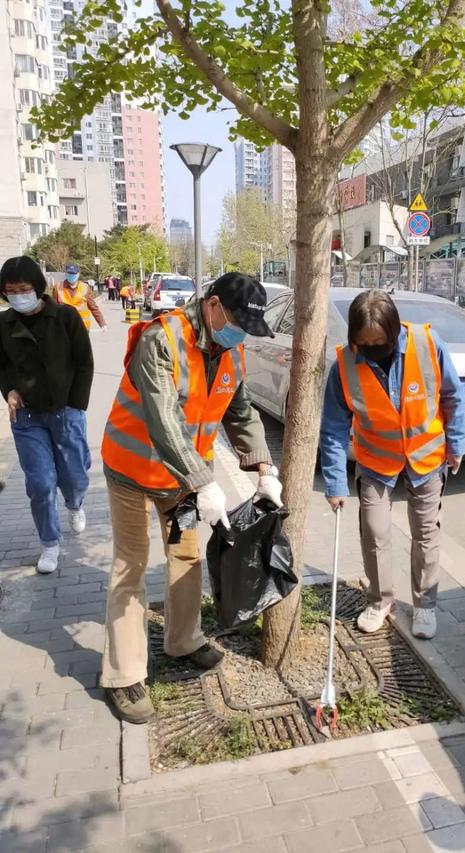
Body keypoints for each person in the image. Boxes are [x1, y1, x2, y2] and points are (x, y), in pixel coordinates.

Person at [100, 272, 283, 723]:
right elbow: (164, 421)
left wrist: (263, 466)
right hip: (132, 469)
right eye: (236, 322)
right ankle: (123, 677)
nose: (239, 333)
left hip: (182, 479)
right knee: (131, 568)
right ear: (213, 306)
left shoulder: (233, 351)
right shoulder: (162, 340)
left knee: (187, 558)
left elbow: (240, 413)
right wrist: (204, 482)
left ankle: (182, 641)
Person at [320, 289, 465, 640]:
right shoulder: (344, 364)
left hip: (426, 457)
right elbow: (334, 427)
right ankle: (380, 600)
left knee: (426, 532)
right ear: (354, 337)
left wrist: (457, 444)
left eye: (380, 342)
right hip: (375, 459)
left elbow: (453, 396)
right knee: (374, 529)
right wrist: (336, 483)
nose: (372, 348)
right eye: (364, 342)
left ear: (395, 330)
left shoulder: (428, 343)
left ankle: (425, 606)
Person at [0, 256, 93, 575]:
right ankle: (50, 544)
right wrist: (9, 390)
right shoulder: (4, 324)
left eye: (24, 288)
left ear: (38, 288)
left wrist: (76, 405)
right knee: (39, 483)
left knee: (75, 476)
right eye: (10, 290)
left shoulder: (65, 316)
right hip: (26, 417)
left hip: (65, 411)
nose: (18, 295)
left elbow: (85, 362)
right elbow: (2, 366)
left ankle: (75, 503)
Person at [53, 263, 107, 331]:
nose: (71, 276)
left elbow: (93, 307)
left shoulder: (85, 287)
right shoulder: (58, 287)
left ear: (78, 274)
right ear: (66, 274)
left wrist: (102, 323)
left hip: (82, 327)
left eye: (74, 273)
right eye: (69, 273)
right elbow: (53, 308)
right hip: (65, 326)